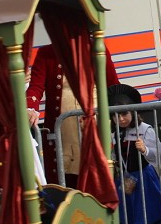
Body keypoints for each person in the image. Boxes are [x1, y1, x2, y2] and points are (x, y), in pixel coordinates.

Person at [26, 43, 120, 187]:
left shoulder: (96, 47)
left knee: (99, 182)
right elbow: (36, 87)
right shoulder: (46, 53)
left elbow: (112, 85)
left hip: (94, 129)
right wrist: (30, 108)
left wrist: (123, 112)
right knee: (64, 184)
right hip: (61, 135)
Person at [109, 83, 161, 224]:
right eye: (116, 115)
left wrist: (145, 149)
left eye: (124, 114)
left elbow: (160, 153)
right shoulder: (114, 134)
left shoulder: (145, 129)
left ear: (133, 112)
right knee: (130, 218)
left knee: (146, 215)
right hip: (125, 182)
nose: (121, 119)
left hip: (144, 179)